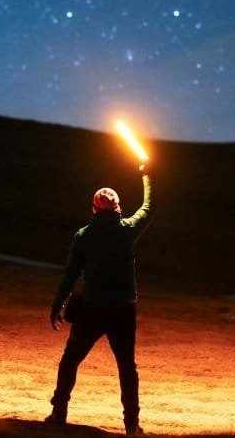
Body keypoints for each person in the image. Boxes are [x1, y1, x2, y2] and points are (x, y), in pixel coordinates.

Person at [46, 163, 153, 434]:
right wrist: (148, 175)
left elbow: (71, 273)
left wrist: (57, 304)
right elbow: (149, 208)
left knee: (70, 360)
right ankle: (132, 425)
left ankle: (59, 413)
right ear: (118, 208)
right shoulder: (128, 230)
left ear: (94, 208)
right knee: (127, 368)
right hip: (123, 311)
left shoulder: (84, 236)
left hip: (92, 309)